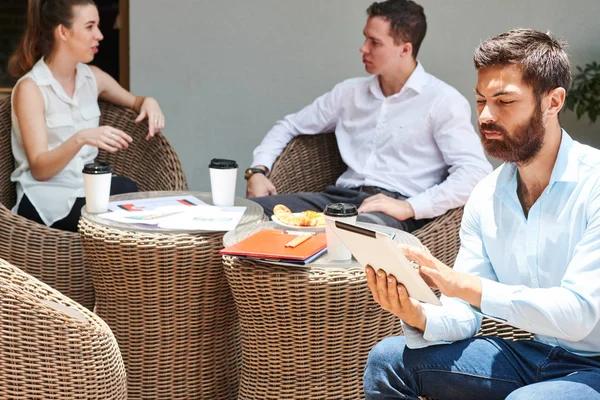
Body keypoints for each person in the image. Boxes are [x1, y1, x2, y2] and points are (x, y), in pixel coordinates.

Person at [363, 29, 600, 399]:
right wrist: (417, 314)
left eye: (504, 101)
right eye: (480, 101)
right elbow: (465, 311)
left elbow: (580, 313)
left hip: (596, 365)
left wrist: (462, 285)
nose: (486, 116)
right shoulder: (486, 195)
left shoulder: (595, 184)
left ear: (552, 102)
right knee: (388, 358)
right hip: (534, 356)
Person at [245, 0, 491, 232]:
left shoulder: (442, 101)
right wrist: (257, 171)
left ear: (405, 49)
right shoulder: (348, 93)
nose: (363, 48)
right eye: (365, 38)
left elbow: (474, 171)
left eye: (375, 42)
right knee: (247, 213)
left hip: (395, 208)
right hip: (338, 199)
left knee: (353, 235)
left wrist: (411, 207)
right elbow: (289, 126)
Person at [8, 0, 165, 233]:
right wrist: (81, 138)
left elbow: (136, 101)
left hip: (85, 186)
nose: (100, 35)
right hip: (46, 197)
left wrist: (149, 102)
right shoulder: (31, 89)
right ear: (63, 31)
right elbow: (40, 169)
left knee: (131, 192)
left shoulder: (92, 77)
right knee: (115, 214)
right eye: (90, 26)